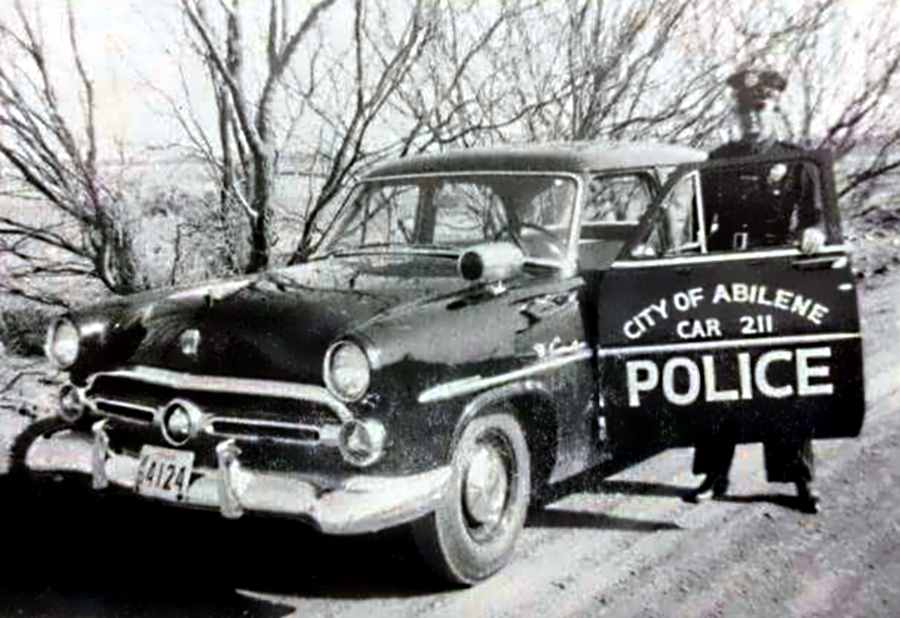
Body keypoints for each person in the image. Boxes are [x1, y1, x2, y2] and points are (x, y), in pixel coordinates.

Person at [685, 67, 825, 513]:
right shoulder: (717, 162)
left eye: (759, 109)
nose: (751, 118)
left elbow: (814, 218)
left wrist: (814, 233)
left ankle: (800, 479)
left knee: (784, 375)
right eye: (744, 110)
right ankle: (713, 475)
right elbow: (699, 228)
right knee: (719, 375)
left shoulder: (798, 161)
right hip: (725, 280)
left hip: (776, 281)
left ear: (775, 108)